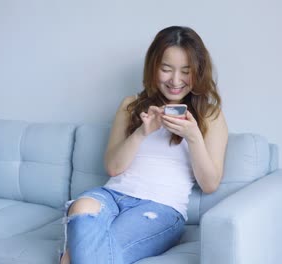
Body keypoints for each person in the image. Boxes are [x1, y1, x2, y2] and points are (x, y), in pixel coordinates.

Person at [60, 25, 228, 264]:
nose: (175, 80)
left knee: (85, 252)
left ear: (198, 72)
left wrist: (193, 137)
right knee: (82, 206)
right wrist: (141, 132)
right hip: (112, 195)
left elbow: (210, 183)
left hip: (161, 208)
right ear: (153, 67)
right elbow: (113, 168)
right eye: (166, 69)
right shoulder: (130, 105)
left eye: (186, 71)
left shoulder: (210, 115)